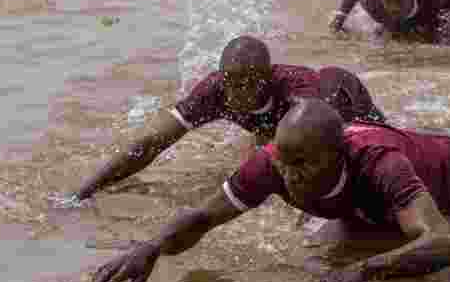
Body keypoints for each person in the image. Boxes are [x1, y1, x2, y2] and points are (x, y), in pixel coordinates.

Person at [85, 99, 450, 282]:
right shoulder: (272, 163)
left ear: (336, 156)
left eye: (301, 164)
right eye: (282, 160)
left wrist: (364, 271)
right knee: (331, 253)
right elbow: (202, 217)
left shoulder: (379, 164)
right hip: (385, 206)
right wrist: (150, 247)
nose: (287, 174)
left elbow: (441, 242)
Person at [73, 36, 386, 201]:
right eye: (230, 82)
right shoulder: (214, 91)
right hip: (279, 124)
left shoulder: (296, 89)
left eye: (248, 83)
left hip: (342, 97)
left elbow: (329, 148)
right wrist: (85, 190)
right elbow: (151, 142)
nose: (236, 93)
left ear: (268, 78)